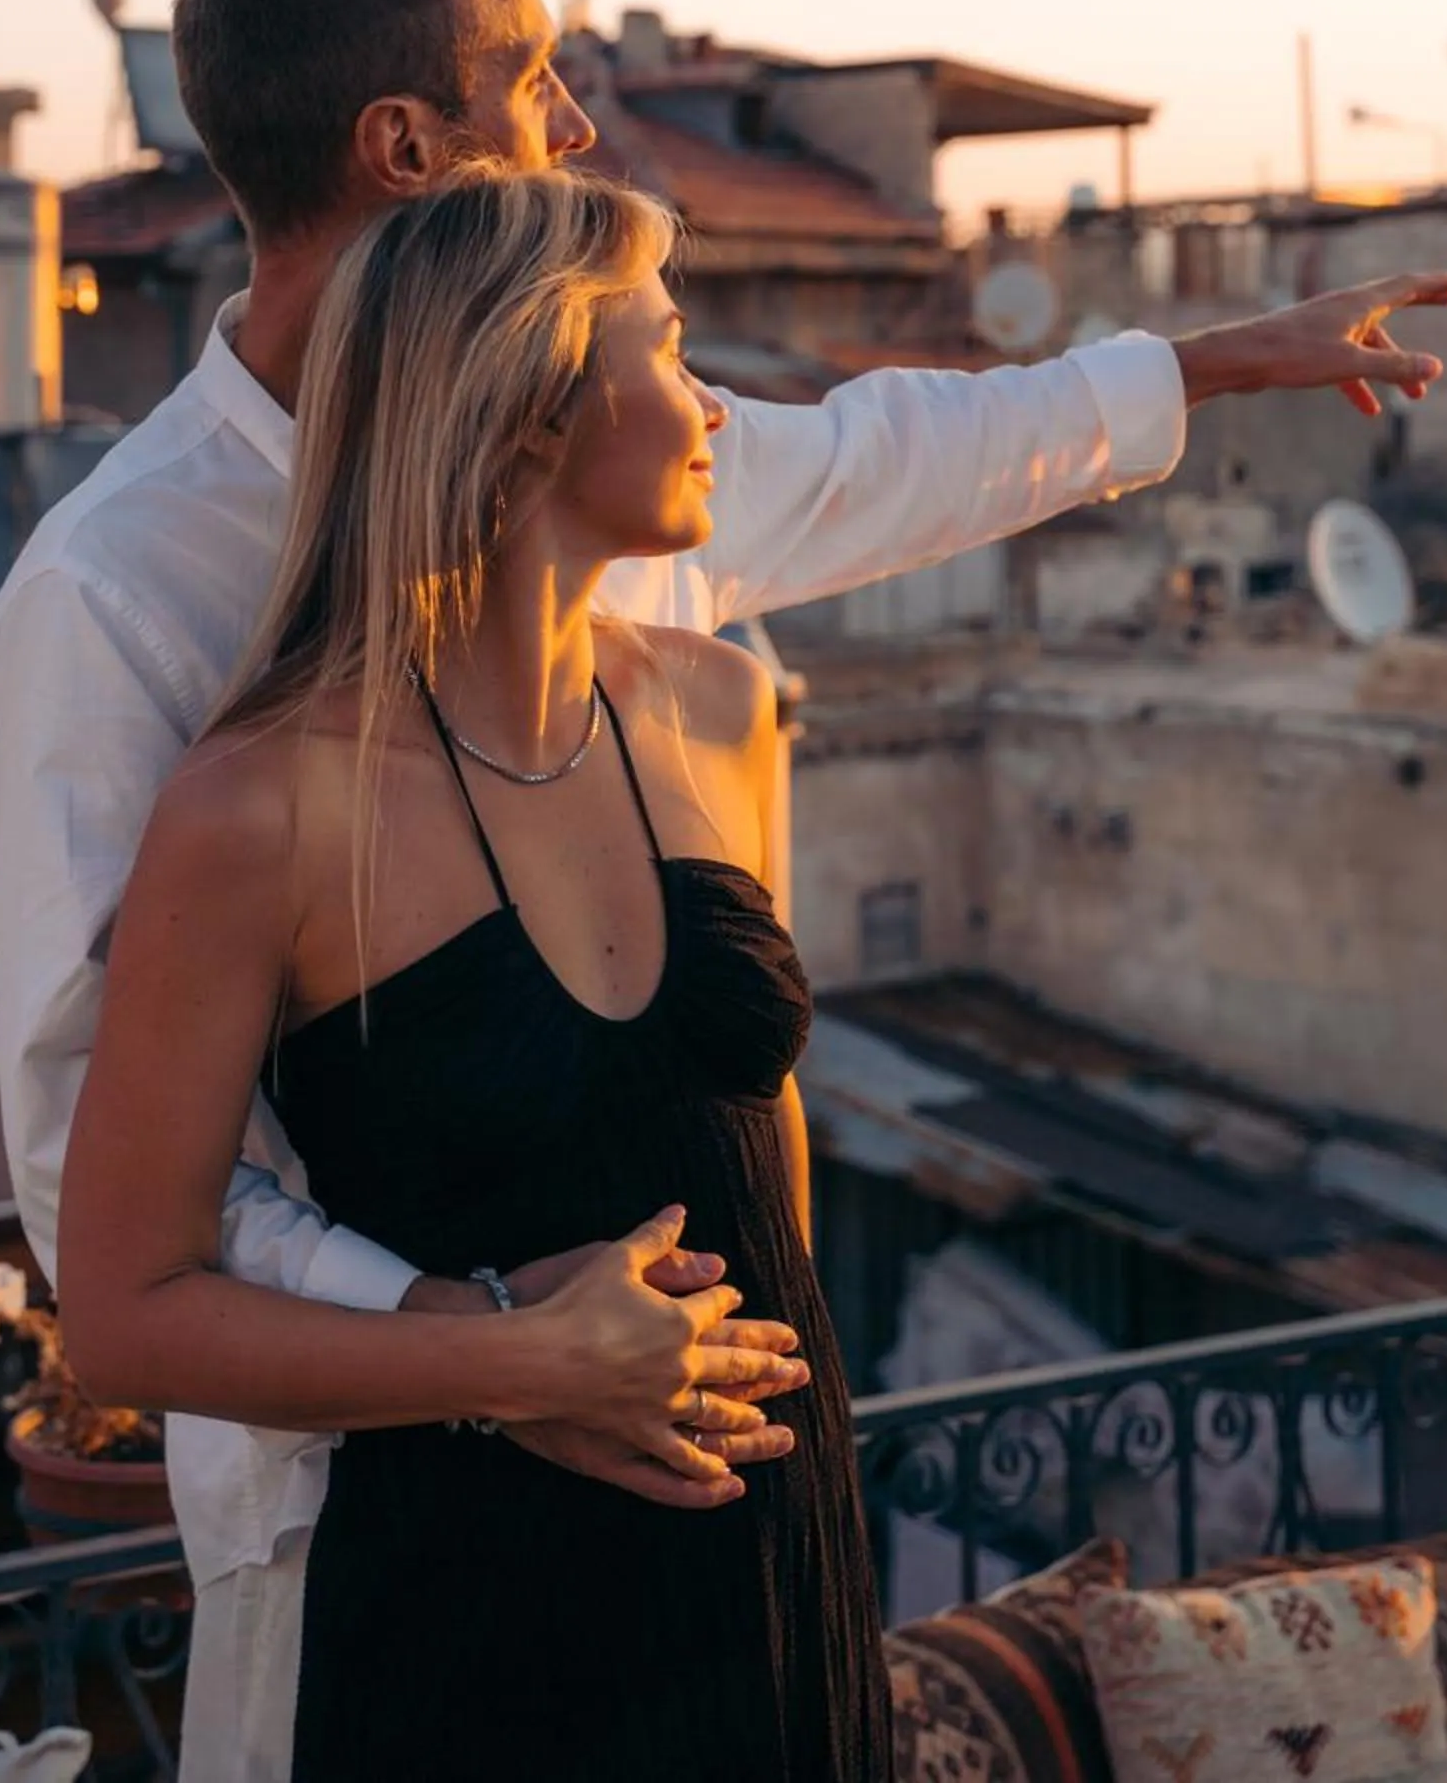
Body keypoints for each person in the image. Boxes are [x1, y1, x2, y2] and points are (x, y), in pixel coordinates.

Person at [0, 0, 1447, 1780]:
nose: (581, 114)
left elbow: (875, 457)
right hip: (376, 1517)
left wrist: (1198, 364)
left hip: (739, 1499)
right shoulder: (117, 597)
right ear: (409, 144)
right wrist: (495, 1344)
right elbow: (90, 1170)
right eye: (535, 72)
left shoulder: (635, 516)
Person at [59, 165, 898, 1777]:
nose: (717, 403)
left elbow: (755, 1127)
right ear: (526, 415)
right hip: (478, 1609)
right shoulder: (257, 811)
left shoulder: (721, 712)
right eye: (667, 353)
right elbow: (122, 1315)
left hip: (770, 1545)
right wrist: (515, 1362)